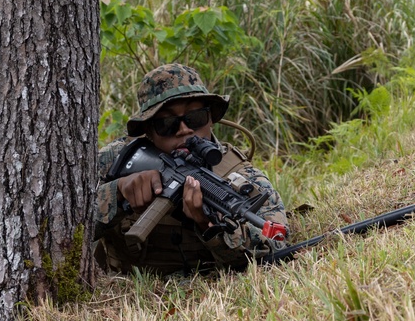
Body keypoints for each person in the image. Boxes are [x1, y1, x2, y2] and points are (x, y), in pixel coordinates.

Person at [95, 63, 287, 274]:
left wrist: (207, 224)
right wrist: (118, 193)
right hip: (125, 291)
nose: (184, 130)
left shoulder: (243, 178)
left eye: (195, 118)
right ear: (149, 131)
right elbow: (64, 218)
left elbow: (273, 246)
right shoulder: (119, 157)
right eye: (167, 123)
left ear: (211, 118)